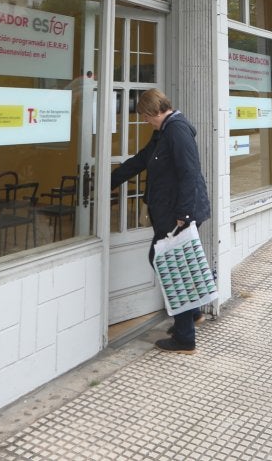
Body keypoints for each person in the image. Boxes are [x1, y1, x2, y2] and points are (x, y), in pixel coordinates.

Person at [111, 88, 212, 353]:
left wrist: (184, 215)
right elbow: (142, 160)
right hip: (171, 210)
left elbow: (189, 173)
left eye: (145, 116)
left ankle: (184, 337)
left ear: (154, 111)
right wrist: (110, 180)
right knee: (176, 265)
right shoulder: (164, 131)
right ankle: (191, 316)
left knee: (170, 265)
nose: (145, 121)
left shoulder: (176, 130)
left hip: (176, 213)